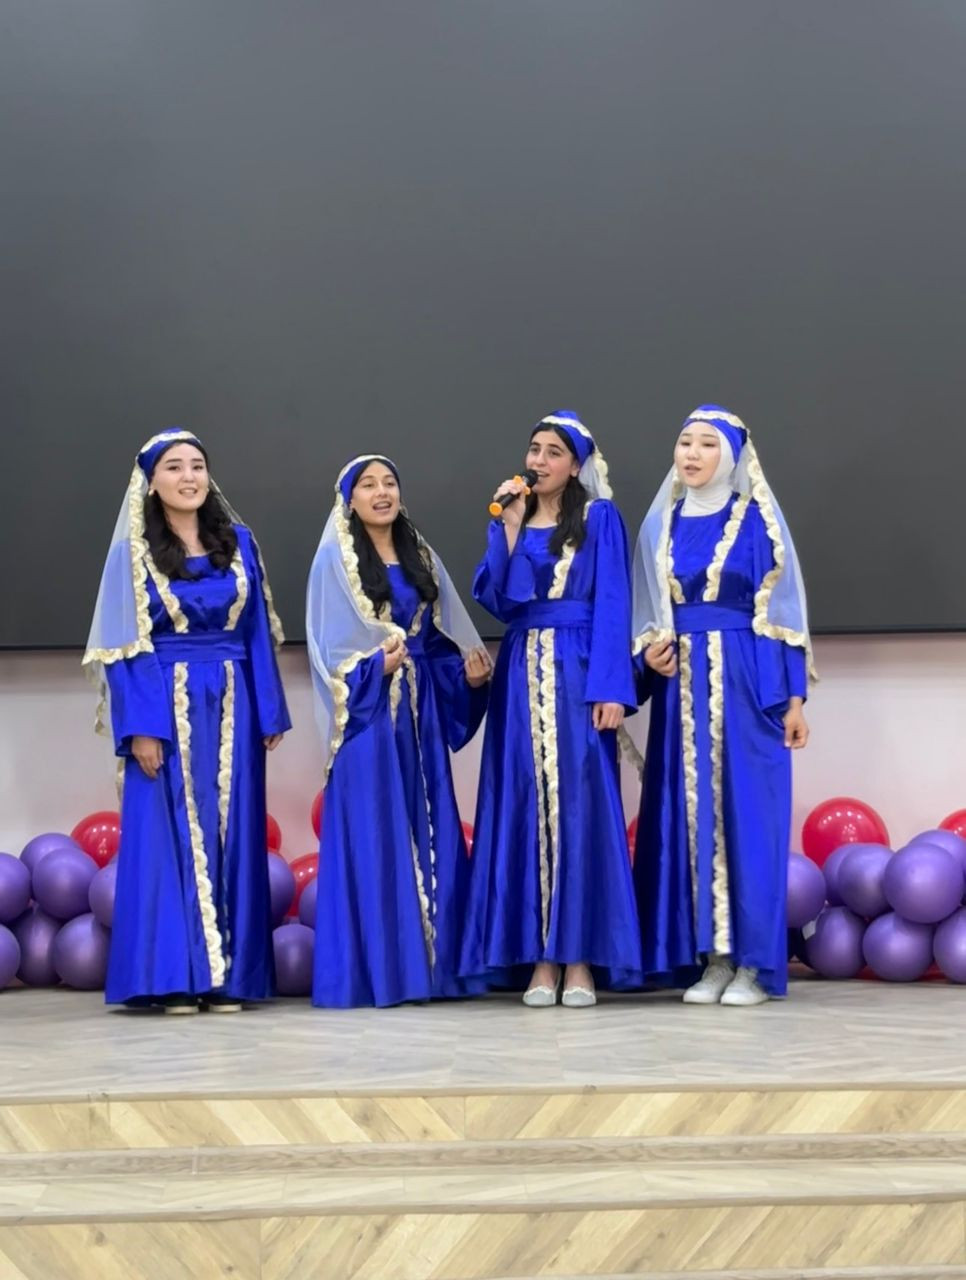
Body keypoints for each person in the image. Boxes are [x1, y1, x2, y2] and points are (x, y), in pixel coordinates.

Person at [83, 429, 290, 1013]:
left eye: (197, 465)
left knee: (235, 829)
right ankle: (173, 976)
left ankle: (229, 978)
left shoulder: (238, 542)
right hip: (166, 702)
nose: (189, 477)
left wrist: (269, 708)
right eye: (174, 467)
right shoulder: (134, 553)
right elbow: (126, 648)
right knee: (167, 834)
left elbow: (254, 631)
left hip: (233, 701)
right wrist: (141, 727)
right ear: (152, 483)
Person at [631, 404, 812, 1006]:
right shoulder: (661, 526)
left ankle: (754, 966)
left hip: (745, 681)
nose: (692, 453)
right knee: (689, 819)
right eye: (685, 441)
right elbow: (645, 617)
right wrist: (648, 658)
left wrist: (792, 699)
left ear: (731, 457)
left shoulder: (756, 521)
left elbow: (780, 617)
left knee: (748, 818)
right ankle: (713, 959)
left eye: (707, 444)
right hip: (681, 693)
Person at [460, 411, 641, 1007]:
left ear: (576, 464)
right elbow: (499, 599)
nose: (539, 461)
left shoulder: (599, 517)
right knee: (523, 800)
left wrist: (612, 687)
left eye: (553, 452)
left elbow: (614, 600)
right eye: (534, 449)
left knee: (581, 804)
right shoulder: (513, 516)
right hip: (520, 671)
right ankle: (539, 957)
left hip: (579, 668)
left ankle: (580, 956)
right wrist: (509, 529)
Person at [306, 455, 491, 1008]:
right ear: (350, 500)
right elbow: (326, 652)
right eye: (368, 485)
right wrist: (372, 670)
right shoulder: (335, 562)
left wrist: (468, 675)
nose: (381, 492)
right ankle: (382, 973)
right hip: (368, 720)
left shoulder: (420, 557)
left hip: (419, 717)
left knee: (430, 823)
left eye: (389, 483)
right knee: (376, 831)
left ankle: (437, 970)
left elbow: (433, 646)